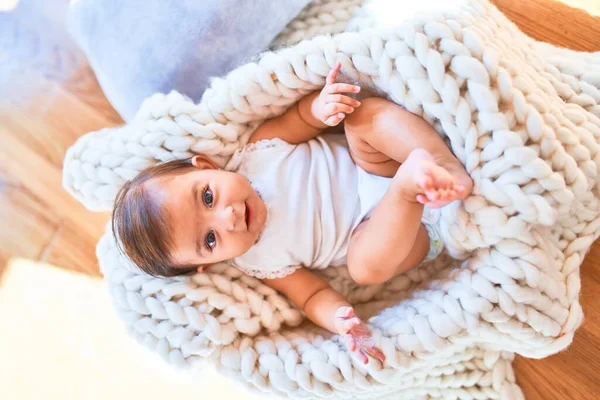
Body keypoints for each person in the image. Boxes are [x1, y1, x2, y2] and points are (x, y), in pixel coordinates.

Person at [112, 62, 473, 364]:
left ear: (206, 166)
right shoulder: (260, 262)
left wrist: (321, 108)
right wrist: (340, 321)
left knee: (363, 118)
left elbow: (301, 117)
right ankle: (409, 190)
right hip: (396, 233)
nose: (228, 217)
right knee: (364, 269)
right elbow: (312, 296)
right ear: (209, 264)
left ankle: (439, 163)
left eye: (207, 197)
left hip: (379, 161)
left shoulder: (258, 152)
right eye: (209, 239)